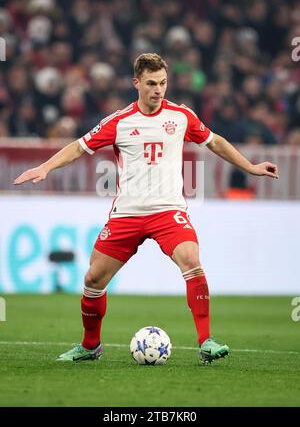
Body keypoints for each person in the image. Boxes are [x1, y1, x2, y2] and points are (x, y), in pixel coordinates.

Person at [14, 53, 279, 364]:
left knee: (191, 259)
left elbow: (215, 142)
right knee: (93, 280)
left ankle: (206, 341)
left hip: (168, 211)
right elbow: (77, 147)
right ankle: (90, 346)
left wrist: (250, 166)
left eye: (163, 83)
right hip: (128, 213)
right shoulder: (119, 122)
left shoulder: (181, 117)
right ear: (136, 83)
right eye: (152, 83)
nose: (158, 90)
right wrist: (45, 167)